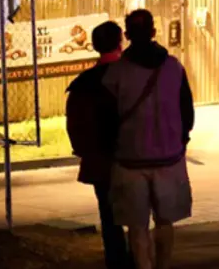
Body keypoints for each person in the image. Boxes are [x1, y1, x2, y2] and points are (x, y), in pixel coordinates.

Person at [103, 10, 195, 269]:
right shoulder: (174, 67)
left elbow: (108, 119)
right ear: (154, 32)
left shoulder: (116, 73)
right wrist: (179, 140)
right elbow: (187, 111)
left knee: (137, 224)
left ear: (127, 36)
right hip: (169, 158)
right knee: (165, 222)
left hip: (129, 161)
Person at [65, 21, 130, 269]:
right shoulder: (131, 77)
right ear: (120, 42)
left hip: (100, 160)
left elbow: (75, 122)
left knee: (108, 213)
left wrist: (84, 150)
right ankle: (140, 257)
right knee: (137, 213)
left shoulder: (84, 83)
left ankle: (116, 261)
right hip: (133, 156)